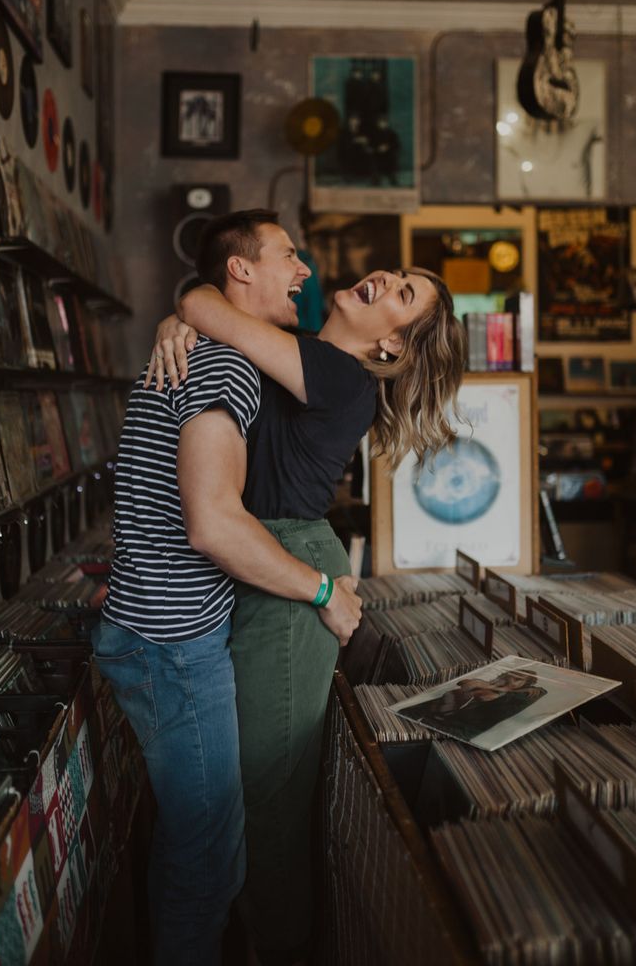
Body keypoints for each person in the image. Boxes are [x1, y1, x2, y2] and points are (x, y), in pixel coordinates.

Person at [150, 245, 467, 964]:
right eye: (399, 274)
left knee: (271, 804)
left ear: (391, 342)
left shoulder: (338, 373)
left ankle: (280, 950)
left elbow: (203, 302)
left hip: (290, 581)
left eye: (403, 295)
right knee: (253, 798)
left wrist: (188, 317)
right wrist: (179, 329)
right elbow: (204, 316)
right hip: (271, 565)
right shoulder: (298, 356)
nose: (386, 277)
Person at [93, 210, 363, 966]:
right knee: (208, 863)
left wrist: (186, 311)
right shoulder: (223, 367)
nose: (304, 270)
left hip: (157, 631)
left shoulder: (211, 352)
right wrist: (321, 590)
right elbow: (212, 524)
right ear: (240, 271)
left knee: (202, 852)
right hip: (172, 647)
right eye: (287, 256)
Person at [399, 669, 547, 742]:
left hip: (451, 732)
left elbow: (492, 704)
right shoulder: (481, 686)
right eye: (509, 674)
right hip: (428, 719)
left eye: (517, 679)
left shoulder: (515, 696)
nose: (510, 679)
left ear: (524, 685)